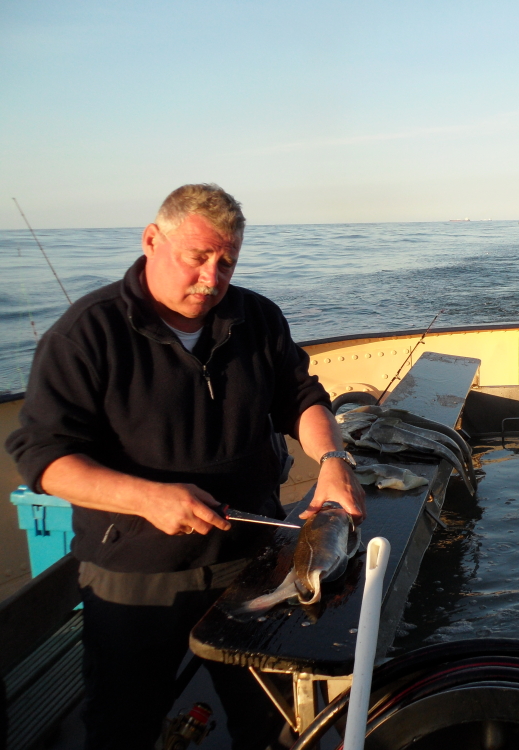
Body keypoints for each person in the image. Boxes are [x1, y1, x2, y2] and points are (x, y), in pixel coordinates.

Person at [6, 184, 366, 750]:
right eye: (196, 257)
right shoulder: (86, 332)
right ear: (152, 240)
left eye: (226, 262)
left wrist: (332, 460)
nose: (211, 278)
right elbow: (43, 458)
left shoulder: (257, 317)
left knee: (273, 725)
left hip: (251, 563)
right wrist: (148, 498)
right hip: (135, 578)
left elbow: (303, 398)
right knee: (121, 727)